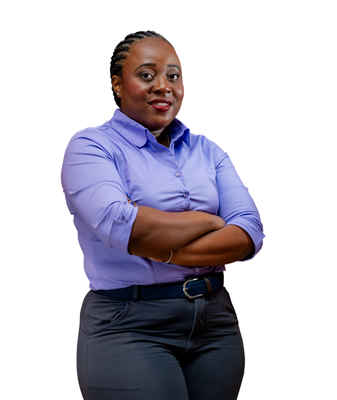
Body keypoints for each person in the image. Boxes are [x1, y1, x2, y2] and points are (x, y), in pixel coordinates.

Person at [61, 30, 264, 400]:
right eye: (147, 75)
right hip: (128, 324)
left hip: (215, 324)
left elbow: (249, 232)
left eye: (173, 75)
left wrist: (162, 244)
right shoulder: (91, 148)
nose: (163, 86)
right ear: (117, 84)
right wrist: (211, 220)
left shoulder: (206, 150)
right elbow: (124, 226)